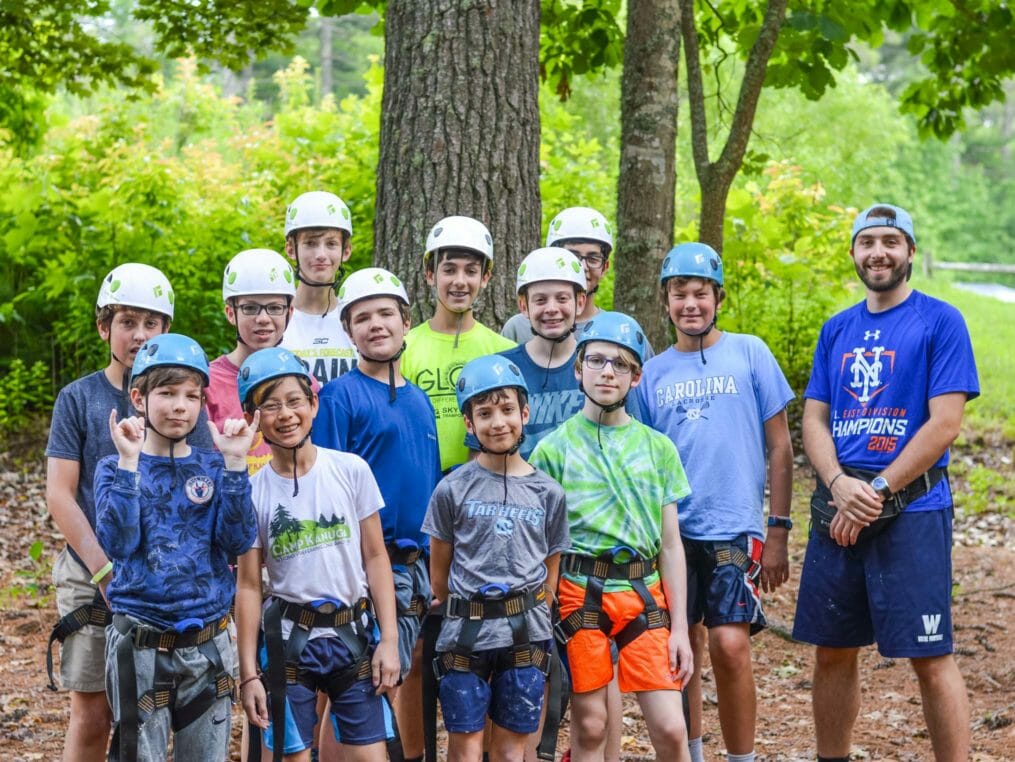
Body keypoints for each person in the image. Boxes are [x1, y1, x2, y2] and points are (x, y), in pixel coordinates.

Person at [793, 204, 979, 762]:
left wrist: (875, 490)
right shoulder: (838, 328)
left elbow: (945, 423)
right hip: (839, 507)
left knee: (931, 653)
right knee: (832, 650)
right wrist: (837, 484)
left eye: (891, 242)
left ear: (910, 252)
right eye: (868, 242)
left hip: (914, 510)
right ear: (853, 253)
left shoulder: (940, 321)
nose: (879, 252)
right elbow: (814, 419)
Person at [633, 243, 794, 762]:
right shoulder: (652, 374)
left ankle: (741, 757)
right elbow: (644, 458)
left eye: (700, 293)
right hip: (674, 531)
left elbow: (781, 446)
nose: (690, 304)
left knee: (729, 644)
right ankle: (692, 752)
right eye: (679, 294)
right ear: (665, 301)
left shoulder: (750, 353)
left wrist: (778, 530)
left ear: (718, 297)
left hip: (733, 526)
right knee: (683, 648)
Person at [44, 263, 210, 762]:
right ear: (104, 327)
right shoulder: (80, 399)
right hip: (91, 567)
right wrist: (103, 569)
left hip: (165, 581)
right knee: (94, 712)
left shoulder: (180, 396)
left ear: (167, 328)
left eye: (152, 323)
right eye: (128, 321)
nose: (140, 334)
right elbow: (60, 494)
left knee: (162, 708)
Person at [530, 311, 693, 762]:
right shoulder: (553, 449)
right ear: (577, 368)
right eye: (597, 361)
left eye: (620, 364)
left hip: (643, 593)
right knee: (591, 724)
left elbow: (671, 543)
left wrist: (679, 625)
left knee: (670, 727)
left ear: (636, 376)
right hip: (581, 592)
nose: (607, 371)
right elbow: (545, 543)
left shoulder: (658, 449)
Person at [94, 333, 258, 762]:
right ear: (138, 397)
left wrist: (237, 466)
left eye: (191, 395)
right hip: (141, 644)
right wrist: (130, 464)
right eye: (166, 393)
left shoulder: (213, 466)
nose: (180, 406)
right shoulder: (113, 467)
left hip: (207, 643)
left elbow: (238, 542)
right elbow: (118, 543)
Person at [235, 347, 400, 762]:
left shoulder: (350, 470)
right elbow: (250, 584)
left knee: (371, 757)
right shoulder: (254, 493)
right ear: (254, 419)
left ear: (313, 404)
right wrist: (248, 674)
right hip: (289, 639)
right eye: (269, 406)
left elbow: (376, 557)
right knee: (292, 756)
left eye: (294, 401)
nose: (285, 415)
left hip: (354, 635)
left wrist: (390, 640)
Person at [312, 267, 442, 762]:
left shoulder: (420, 401)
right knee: (355, 682)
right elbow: (326, 489)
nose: (376, 325)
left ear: (406, 321)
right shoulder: (340, 398)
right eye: (362, 318)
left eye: (386, 313)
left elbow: (425, 483)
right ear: (349, 332)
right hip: (364, 565)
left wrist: (431, 564)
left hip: (411, 567)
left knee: (382, 679)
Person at [422, 354, 569, 761]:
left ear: (525, 413)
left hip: (525, 633)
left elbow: (550, 571)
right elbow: (440, 574)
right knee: (465, 747)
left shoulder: (548, 492)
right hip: (465, 634)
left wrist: (530, 611)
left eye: (507, 410)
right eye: (484, 414)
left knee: (510, 750)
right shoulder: (452, 490)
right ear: (469, 424)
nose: (498, 422)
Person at [400, 215, 515, 473]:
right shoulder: (405, 348)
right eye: (449, 269)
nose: (460, 281)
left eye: (471, 271)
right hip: (420, 483)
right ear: (430, 275)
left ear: (485, 278)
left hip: (485, 485)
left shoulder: (504, 351)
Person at [465, 246, 587, 460]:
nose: (551, 308)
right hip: (515, 490)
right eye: (540, 300)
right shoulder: (501, 370)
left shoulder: (598, 367)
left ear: (580, 303)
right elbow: (478, 457)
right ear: (524, 306)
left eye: (562, 298)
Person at [501, 207, 653, 364]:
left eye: (593, 259)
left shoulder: (621, 330)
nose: (582, 267)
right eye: (572, 257)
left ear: (605, 267)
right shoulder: (518, 328)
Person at [206, 248, 297, 474]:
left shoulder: (302, 379)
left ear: (290, 312)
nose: (263, 319)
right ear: (230, 313)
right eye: (250, 308)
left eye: (275, 307)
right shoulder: (208, 383)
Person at [281, 191, 358, 386]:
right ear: (291, 249)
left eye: (331, 244)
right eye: (310, 243)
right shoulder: (274, 321)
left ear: (346, 251)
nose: (321, 254)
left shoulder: (358, 318)